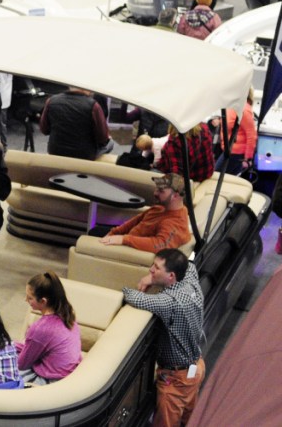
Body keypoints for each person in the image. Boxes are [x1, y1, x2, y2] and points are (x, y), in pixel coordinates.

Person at [122, 249, 204, 427]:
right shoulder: (191, 281)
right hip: (195, 367)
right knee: (190, 417)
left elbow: (133, 296)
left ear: (171, 276)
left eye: (156, 268)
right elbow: (189, 264)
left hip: (175, 379)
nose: (151, 270)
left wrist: (147, 281)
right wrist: (155, 276)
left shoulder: (169, 302)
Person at [97, 173, 192, 253]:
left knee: (88, 236)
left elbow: (160, 245)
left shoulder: (175, 222)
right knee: (96, 230)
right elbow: (134, 222)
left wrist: (123, 239)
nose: (155, 193)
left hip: (126, 251)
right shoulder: (160, 208)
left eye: (161, 191)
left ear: (175, 196)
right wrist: (113, 233)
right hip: (127, 240)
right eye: (157, 188)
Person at [16, 273, 82, 385]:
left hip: (52, 381)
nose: (25, 300)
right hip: (69, 375)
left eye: (29, 298)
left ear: (43, 301)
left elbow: (21, 364)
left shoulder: (40, 328)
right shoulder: (68, 316)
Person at [39, 87, 112, 160]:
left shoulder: (51, 101)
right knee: (110, 143)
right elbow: (102, 138)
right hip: (84, 155)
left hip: (55, 151)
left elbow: (44, 130)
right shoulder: (94, 105)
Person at [217, 88, 256, 175]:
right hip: (229, 150)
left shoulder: (244, 109)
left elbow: (251, 136)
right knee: (228, 179)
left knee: (215, 176)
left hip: (235, 153)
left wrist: (247, 158)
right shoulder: (232, 106)